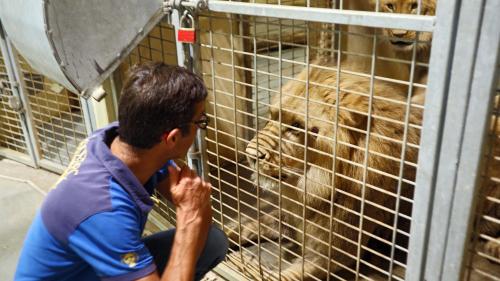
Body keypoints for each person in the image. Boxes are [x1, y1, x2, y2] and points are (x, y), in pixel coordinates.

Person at [15, 62, 228, 281]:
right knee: (193, 237)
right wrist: (189, 220)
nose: (202, 126)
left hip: (91, 269)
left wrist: (195, 211)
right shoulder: (104, 211)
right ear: (172, 138)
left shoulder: (123, 139)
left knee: (212, 242)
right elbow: (196, 215)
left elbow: (201, 212)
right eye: (200, 121)